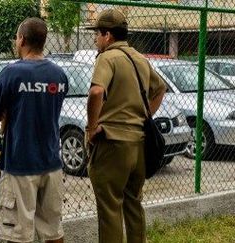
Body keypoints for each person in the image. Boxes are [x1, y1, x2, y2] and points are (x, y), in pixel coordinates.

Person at [85, 9, 166, 243]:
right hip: (139, 144)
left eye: (97, 34)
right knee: (133, 204)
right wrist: (145, 115)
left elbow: (97, 91)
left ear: (107, 35)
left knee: (110, 208)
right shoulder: (139, 58)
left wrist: (91, 128)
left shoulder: (107, 57)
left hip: (112, 145)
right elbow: (160, 88)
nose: (95, 39)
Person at [0, 17, 68, 243]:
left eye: (16, 37)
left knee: (17, 234)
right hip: (51, 162)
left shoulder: (11, 73)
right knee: (53, 230)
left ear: (22, 39)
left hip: (21, 165)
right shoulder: (59, 76)